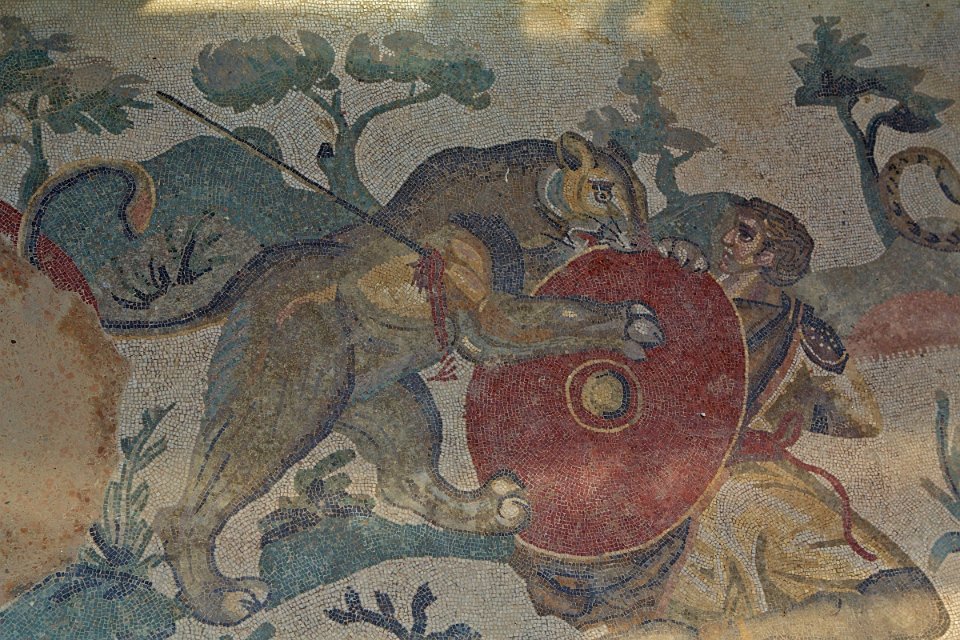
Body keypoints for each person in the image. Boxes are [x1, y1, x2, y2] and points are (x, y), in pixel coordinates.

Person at [638, 198, 949, 639]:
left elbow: (862, 417)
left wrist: (792, 408)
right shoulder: (690, 289)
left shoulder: (794, 325)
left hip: (737, 479)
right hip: (695, 481)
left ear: (769, 257)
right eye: (733, 228)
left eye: (745, 235)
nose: (727, 239)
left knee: (911, 606)